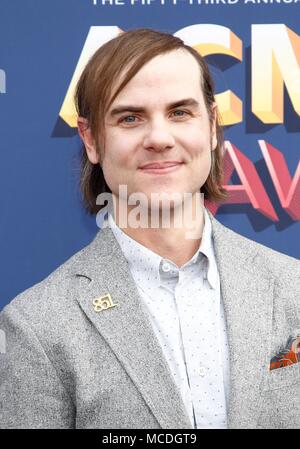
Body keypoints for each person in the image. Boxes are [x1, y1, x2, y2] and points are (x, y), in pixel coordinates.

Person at [0, 28, 299, 430]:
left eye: (180, 112)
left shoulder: (292, 287)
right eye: (130, 117)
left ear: (211, 126)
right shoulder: (36, 325)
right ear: (90, 139)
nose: (159, 138)